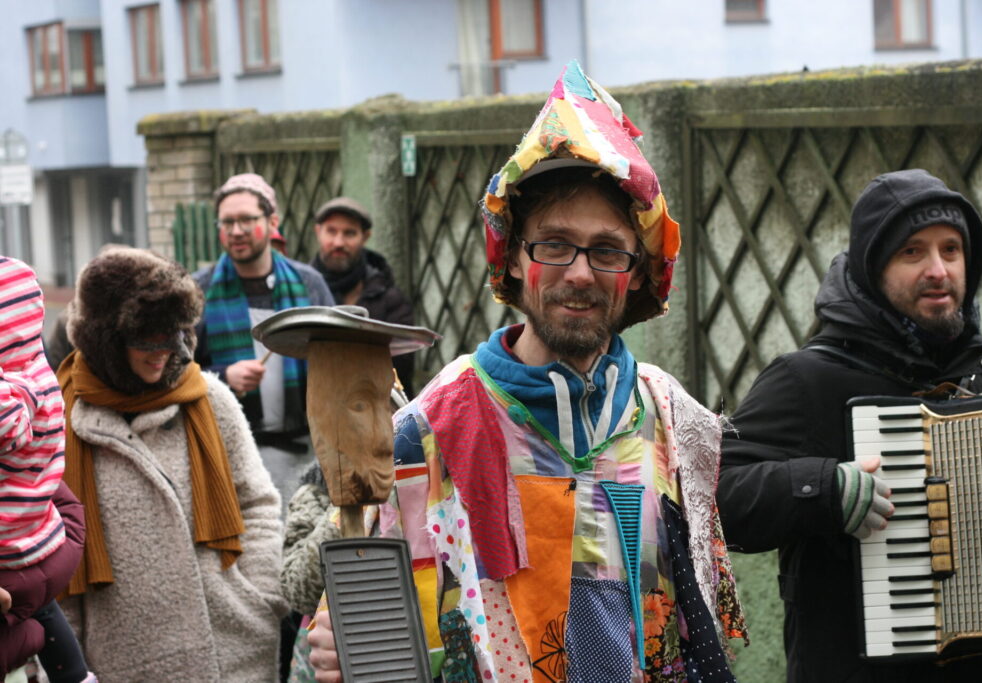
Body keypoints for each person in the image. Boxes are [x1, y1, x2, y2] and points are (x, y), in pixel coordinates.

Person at [308, 60, 746, 683]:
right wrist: (335, 651)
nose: (580, 273)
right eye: (554, 244)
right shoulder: (429, 432)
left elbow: (691, 629)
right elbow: (361, 633)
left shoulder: (671, 420)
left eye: (607, 250)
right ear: (513, 259)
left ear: (637, 271)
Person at [716, 169, 982, 683]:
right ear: (873, 267)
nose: (938, 270)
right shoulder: (806, 380)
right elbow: (713, 498)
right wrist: (819, 489)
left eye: (951, 250)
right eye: (912, 252)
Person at [57, 247, 287, 681]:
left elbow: (257, 503)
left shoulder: (209, 400)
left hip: (232, 651)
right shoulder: (63, 420)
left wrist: (262, 596)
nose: (163, 351)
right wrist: (68, 662)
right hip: (122, 663)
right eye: (146, 337)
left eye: (174, 333)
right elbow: (58, 552)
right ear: (107, 337)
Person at [193, 173, 334, 511]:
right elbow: (175, 371)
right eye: (227, 222)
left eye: (246, 220)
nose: (236, 231)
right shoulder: (198, 290)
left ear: (272, 222)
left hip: (307, 450)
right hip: (229, 455)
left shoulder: (309, 284)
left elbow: (338, 360)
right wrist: (223, 377)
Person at [0, 256, 92, 682]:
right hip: (40, 532)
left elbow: (9, 425)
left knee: (34, 616)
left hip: (11, 546)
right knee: (45, 613)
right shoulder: (38, 370)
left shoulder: (13, 391)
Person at [309, 197, 415, 393]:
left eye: (349, 233)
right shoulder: (301, 291)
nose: (338, 242)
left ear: (365, 237)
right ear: (318, 232)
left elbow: (400, 364)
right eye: (331, 231)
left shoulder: (389, 298)